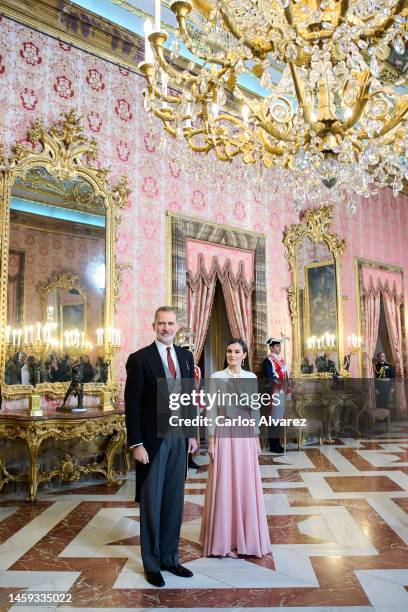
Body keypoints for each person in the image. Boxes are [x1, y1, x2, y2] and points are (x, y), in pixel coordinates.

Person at [125, 306, 198, 588]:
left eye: (170, 323)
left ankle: (170, 558)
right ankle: (152, 563)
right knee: (152, 504)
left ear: (177, 326)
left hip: (180, 438)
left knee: (173, 502)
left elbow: (190, 397)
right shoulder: (139, 359)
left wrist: (192, 434)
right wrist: (136, 443)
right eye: (161, 324)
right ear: (153, 325)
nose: (166, 328)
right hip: (152, 442)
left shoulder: (186, 357)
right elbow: (132, 405)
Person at [200, 338, 271, 558]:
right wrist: (211, 440)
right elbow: (211, 411)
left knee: (245, 483)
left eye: (236, 351)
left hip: (246, 434)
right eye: (229, 351)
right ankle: (225, 541)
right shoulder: (216, 377)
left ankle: (247, 539)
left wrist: (257, 437)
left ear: (244, 355)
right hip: (223, 433)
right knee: (224, 483)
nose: (232, 355)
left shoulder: (250, 378)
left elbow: (255, 410)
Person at [263, 337, 287, 454]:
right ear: (271, 347)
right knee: (273, 419)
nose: (279, 348)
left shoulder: (282, 360)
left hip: (281, 390)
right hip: (273, 391)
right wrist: (281, 372)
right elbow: (269, 376)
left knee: (279, 419)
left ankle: (278, 442)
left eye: (280, 346)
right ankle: (273, 444)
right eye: (277, 346)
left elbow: (284, 377)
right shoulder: (268, 361)